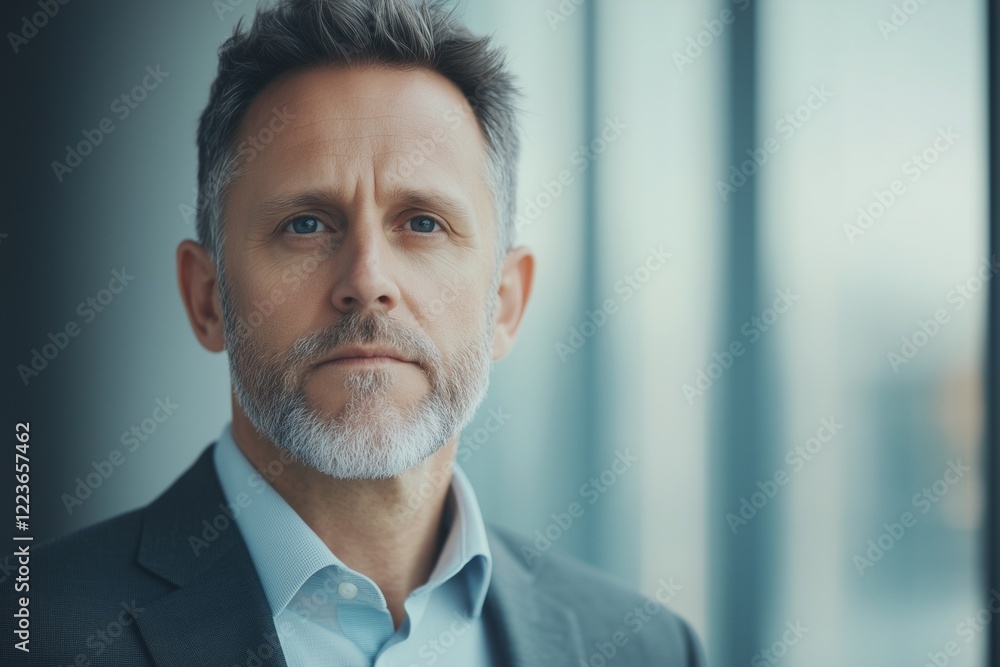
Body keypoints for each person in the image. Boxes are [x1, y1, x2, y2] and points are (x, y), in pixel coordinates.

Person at [3, 1, 703, 664]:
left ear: (506, 303)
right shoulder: (32, 634)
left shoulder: (648, 648)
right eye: (305, 224)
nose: (367, 279)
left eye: (423, 222)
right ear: (207, 298)